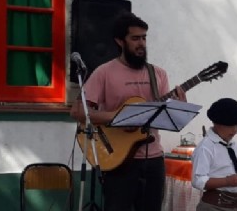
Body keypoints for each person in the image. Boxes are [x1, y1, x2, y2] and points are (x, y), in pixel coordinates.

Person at [70, 11, 186, 211]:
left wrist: (180, 105)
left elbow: (163, 116)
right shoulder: (104, 72)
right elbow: (79, 111)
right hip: (118, 159)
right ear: (120, 41)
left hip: (153, 159)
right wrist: (118, 116)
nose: (141, 43)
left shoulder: (157, 74)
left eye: (144, 38)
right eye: (135, 38)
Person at [192, 98, 237, 211]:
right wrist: (227, 181)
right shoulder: (206, 147)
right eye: (230, 125)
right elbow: (198, 180)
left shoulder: (235, 146)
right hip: (214, 206)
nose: (235, 130)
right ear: (216, 123)